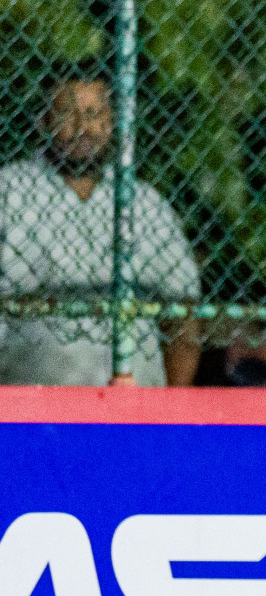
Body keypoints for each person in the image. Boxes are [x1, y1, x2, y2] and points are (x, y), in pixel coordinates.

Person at [0, 60, 200, 386]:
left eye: (93, 114)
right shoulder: (9, 192)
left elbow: (183, 313)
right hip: (31, 415)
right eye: (67, 114)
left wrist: (173, 412)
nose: (82, 127)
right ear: (44, 121)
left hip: (133, 412)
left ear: (110, 123)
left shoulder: (143, 202)